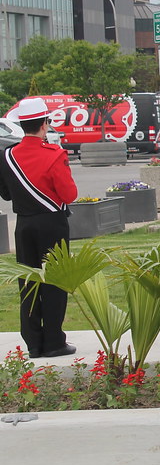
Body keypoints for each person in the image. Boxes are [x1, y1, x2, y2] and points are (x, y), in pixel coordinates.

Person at [0, 97, 78, 358]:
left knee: (29, 282)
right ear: (45, 124)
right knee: (54, 282)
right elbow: (69, 194)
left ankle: (33, 343)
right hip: (53, 224)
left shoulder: (7, 155)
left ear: (22, 125)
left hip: (23, 225)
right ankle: (55, 341)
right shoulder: (55, 155)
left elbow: (6, 194)